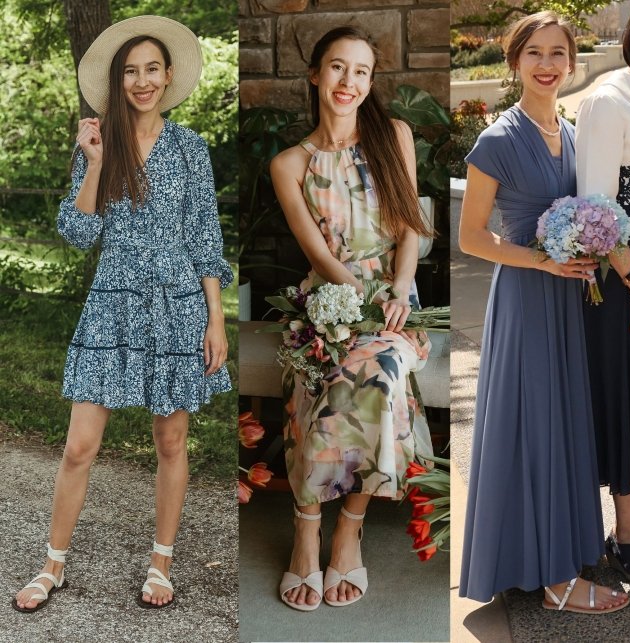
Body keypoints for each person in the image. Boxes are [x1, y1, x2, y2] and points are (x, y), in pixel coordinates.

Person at [12, 16, 232, 612]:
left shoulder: (189, 147)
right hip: (112, 304)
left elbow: (204, 237)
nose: (142, 81)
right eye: (130, 71)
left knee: (171, 440)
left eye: (151, 69)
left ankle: (161, 564)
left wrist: (215, 319)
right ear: (117, 81)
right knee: (79, 445)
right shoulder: (98, 141)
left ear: (168, 75)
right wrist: (92, 163)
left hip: (179, 306)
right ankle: (52, 566)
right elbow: (78, 232)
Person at [458, 11, 630, 615]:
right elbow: (471, 238)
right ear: (515, 61)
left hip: (569, 298)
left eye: (559, 53)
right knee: (533, 423)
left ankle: (551, 555)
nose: (547, 64)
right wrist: (544, 260)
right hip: (527, 300)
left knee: (562, 422)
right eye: (535, 52)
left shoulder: (574, 133)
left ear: (573, 63)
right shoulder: (498, 140)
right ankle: (556, 580)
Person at [269, 26, 434, 611]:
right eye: (338, 67)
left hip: (393, 300)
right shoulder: (290, 162)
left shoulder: (393, 135)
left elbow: (409, 226)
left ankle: (348, 528)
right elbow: (318, 253)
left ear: (370, 81)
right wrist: (357, 302)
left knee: (378, 375)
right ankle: (307, 529)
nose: (349, 81)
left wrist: (400, 290)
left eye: (361, 71)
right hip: (329, 300)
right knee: (317, 379)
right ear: (316, 74)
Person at [574, 0, 630, 583]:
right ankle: (626, 531)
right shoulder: (608, 99)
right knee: (624, 390)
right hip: (626, 273)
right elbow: (594, 206)